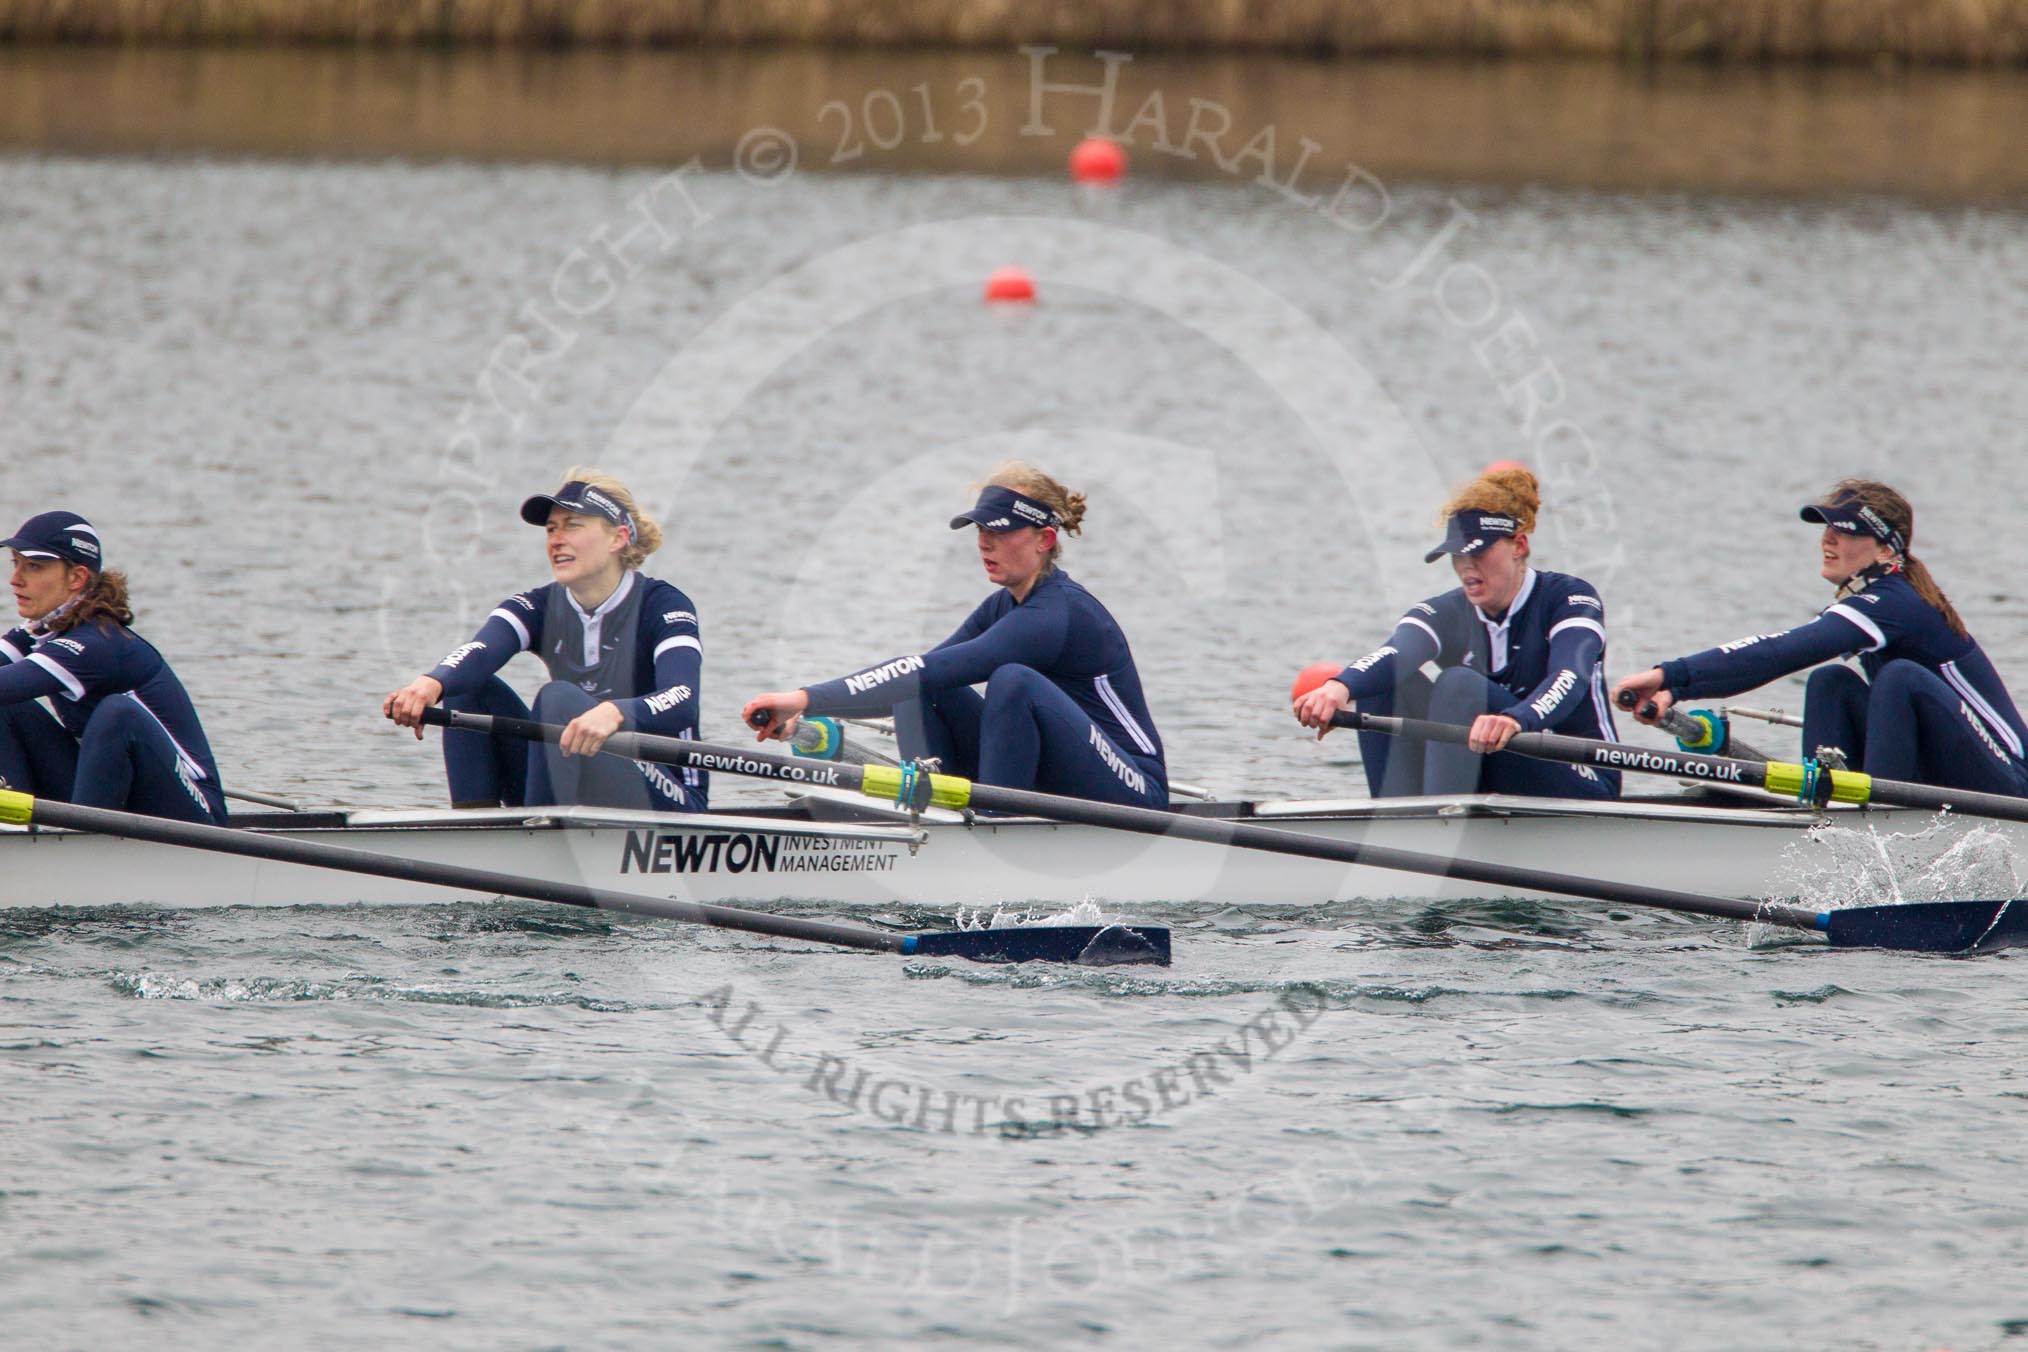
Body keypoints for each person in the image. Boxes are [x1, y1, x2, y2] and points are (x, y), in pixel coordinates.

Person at [740, 463, 1167, 808]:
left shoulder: (1058, 614)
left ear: (1045, 539)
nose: (984, 543)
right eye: (981, 530)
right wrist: (805, 713)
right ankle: (935, 818)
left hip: (1133, 790)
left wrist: (803, 696)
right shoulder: (1004, 606)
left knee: (1012, 681)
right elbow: (918, 676)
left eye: (999, 531)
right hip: (1063, 776)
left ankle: (993, 830)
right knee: (920, 688)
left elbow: (934, 668)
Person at [1614, 479, 2028, 796]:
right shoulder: (1884, 598)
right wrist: (1675, 687)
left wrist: (1671, 675)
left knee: (1900, 677)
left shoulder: (1895, 602)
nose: (1827, 539)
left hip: (2010, 785)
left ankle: (1880, 824)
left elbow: (1782, 652)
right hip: (1955, 769)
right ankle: (1824, 812)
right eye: (1828, 528)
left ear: (1886, 551)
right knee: (1830, 682)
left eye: (1844, 531)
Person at [382, 469, 707, 811]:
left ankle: (538, 836)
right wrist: (430, 684)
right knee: (468, 687)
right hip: (572, 770)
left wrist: (615, 713)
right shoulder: (538, 606)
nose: (556, 539)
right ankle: (478, 831)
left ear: (618, 538)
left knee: (558, 699)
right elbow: (480, 651)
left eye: (573, 525)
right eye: (552, 529)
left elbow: (682, 699)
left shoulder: (664, 606)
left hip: (667, 793)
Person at [1292, 466, 1620, 799]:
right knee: (1386, 683)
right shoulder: (1447, 610)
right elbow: (1397, 652)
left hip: (1579, 771)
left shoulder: (1570, 599)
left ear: (1518, 546)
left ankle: (1440, 827)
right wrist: (1337, 689)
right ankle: (1398, 824)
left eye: (1477, 552)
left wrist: (1517, 719)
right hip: (1486, 759)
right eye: (1457, 555)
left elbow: (1570, 677)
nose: (1465, 566)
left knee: (1458, 684)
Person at [0, 511, 228, 823]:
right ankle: (13, 830)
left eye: (34, 566)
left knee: (117, 712)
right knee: (7, 708)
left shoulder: (98, 643)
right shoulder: (42, 630)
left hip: (197, 816)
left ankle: (80, 846)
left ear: (76, 578)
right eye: (16, 564)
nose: (16, 579)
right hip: (118, 793)